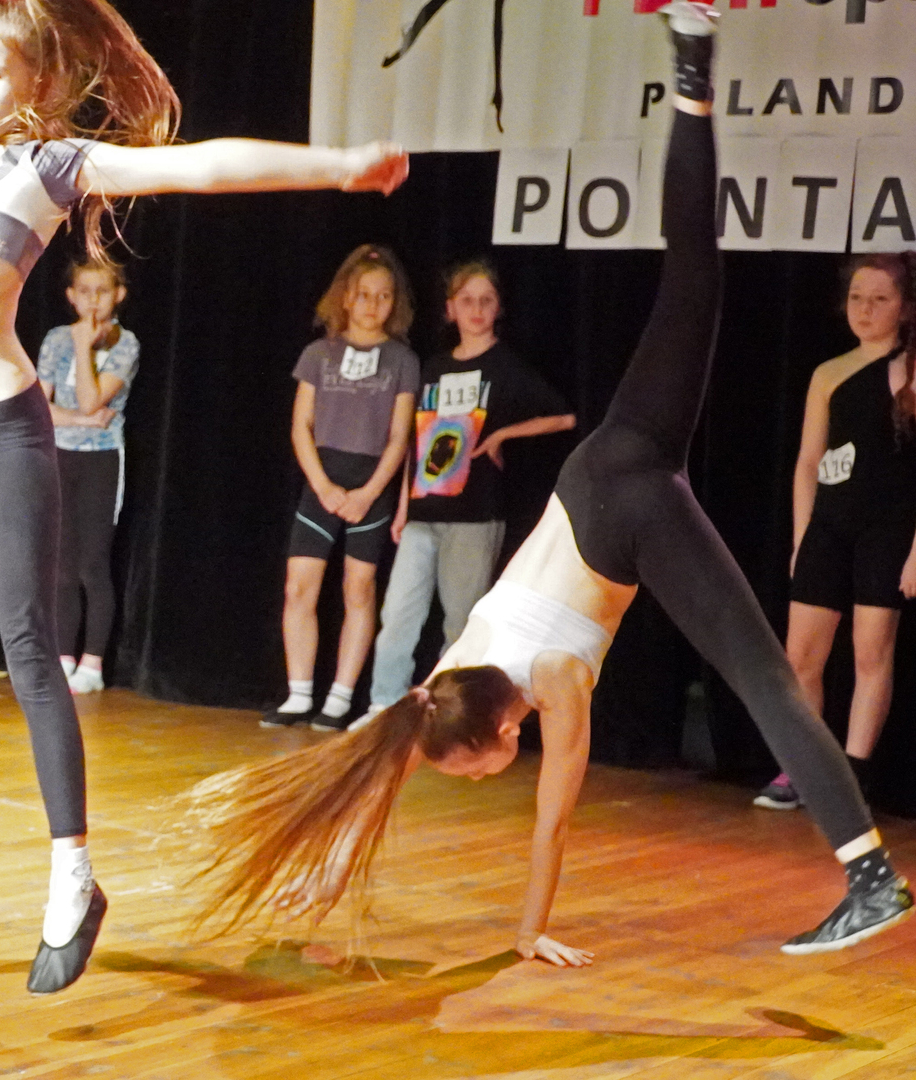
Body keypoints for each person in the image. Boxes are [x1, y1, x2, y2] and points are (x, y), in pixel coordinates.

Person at [177, 3, 910, 967]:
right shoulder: (443, 683)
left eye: (476, 770)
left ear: (493, 734)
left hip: (624, 508)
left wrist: (530, 929)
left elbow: (553, 823)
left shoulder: (550, 684)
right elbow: (379, 762)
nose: (484, 778)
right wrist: (334, 861)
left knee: (765, 677)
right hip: (610, 457)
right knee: (694, 279)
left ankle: (870, 878)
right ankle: (692, 66)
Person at [0, 0, 409, 996]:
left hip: (2, 438)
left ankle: (73, 882)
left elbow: (201, 167)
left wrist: (337, 164)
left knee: (29, 651)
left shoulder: (50, 164)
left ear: (37, 86)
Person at [361, 263, 575, 727]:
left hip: (475, 515)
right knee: (398, 614)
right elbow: (417, 442)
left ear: (498, 309)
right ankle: (384, 711)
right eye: (467, 300)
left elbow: (564, 417)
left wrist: (501, 436)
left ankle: (447, 720)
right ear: (450, 309)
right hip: (423, 514)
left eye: (486, 300)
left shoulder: (505, 366)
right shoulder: (433, 368)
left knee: (460, 623)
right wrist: (403, 507)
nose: (476, 309)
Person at [755, 254, 916, 812]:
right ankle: (803, 769)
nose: (865, 310)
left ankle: (852, 779)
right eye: (856, 298)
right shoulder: (829, 373)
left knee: (871, 653)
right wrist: (803, 537)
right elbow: (808, 462)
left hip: (888, 530)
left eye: (880, 299)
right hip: (829, 526)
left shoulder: (910, 370)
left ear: (905, 307)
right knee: (801, 656)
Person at [264, 245, 420, 732]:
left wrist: (368, 492)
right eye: (363, 294)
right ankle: (299, 694)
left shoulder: (402, 360)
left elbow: (400, 436)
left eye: (383, 296)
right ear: (346, 298)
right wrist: (324, 487)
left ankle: (339, 698)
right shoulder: (318, 353)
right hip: (322, 482)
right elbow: (300, 427)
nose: (373, 304)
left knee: (359, 588)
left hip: (371, 486)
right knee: (299, 588)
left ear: (395, 303)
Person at [37, 259, 140, 695]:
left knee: (92, 564)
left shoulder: (125, 344)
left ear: (118, 295)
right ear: (71, 296)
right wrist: (80, 420)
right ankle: (62, 657)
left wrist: (83, 348)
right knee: (60, 564)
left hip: (101, 460)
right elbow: (39, 408)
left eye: (102, 291)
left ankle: (92, 664)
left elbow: (92, 398)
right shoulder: (55, 339)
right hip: (59, 457)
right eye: (84, 290)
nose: (93, 300)